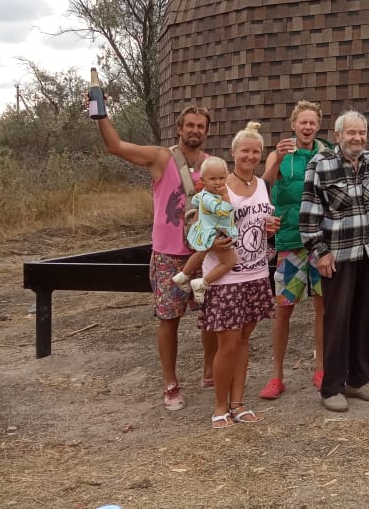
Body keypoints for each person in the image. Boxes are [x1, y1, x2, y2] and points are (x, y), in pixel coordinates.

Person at [94, 104, 219, 411]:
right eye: (190, 125)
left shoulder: (212, 165)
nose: (195, 131)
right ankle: (171, 384)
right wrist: (100, 113)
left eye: (201, 126)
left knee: (211, 318)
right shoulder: (162, 158)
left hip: (204, 253)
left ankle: (210, 372)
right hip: (169, 256)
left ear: (207, 131)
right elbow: (116, 146)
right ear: (180, 128)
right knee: (169, 319)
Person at [300, 110, 369, 412]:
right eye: (351, 133)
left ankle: (358, 380)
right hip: (338, 256)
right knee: (337, 320)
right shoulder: (320, 164)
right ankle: (331, 387)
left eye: (361, 133)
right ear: (338, 135)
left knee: (366, 318)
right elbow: (309, 214)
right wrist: (320, 252)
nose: (357, 138)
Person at [202, 121, 279, 429]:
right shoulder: (220, 187)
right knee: (228, 343)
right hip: (227, 275)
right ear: (233, 152)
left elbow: (262, 220)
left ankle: (238, 402)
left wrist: (270, 227)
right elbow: (199, 225)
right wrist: (213, 239)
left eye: (256, 151)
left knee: (245, 340)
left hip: (257, 271)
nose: (250, 156)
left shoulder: (261, 185)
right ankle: (220, 405)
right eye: (245, 150)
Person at [258, 101, 330, 400]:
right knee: (283, 309)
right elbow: (264, 187)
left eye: (312, 122)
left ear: (318, 126)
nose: (308, 127)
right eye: (303, 122)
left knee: (323, 308)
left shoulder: (327, 153)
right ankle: (277, 375)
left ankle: (321, 367)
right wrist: (275, 159)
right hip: (289, 242)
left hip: (320, 242)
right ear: (293, 124)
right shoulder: (280, 155)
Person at [172, 157, 239, 302]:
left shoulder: (204, 194)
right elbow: (225, 211)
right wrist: (225, 195)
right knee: (229, 262)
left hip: (204, 230)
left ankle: (183, 275)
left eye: (222, 178)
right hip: (217, 234)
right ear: (203, 180)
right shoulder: (211, 199)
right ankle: (202, 283)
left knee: (201, 252)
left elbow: (196, 200)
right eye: (213, 178)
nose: (218, 182)